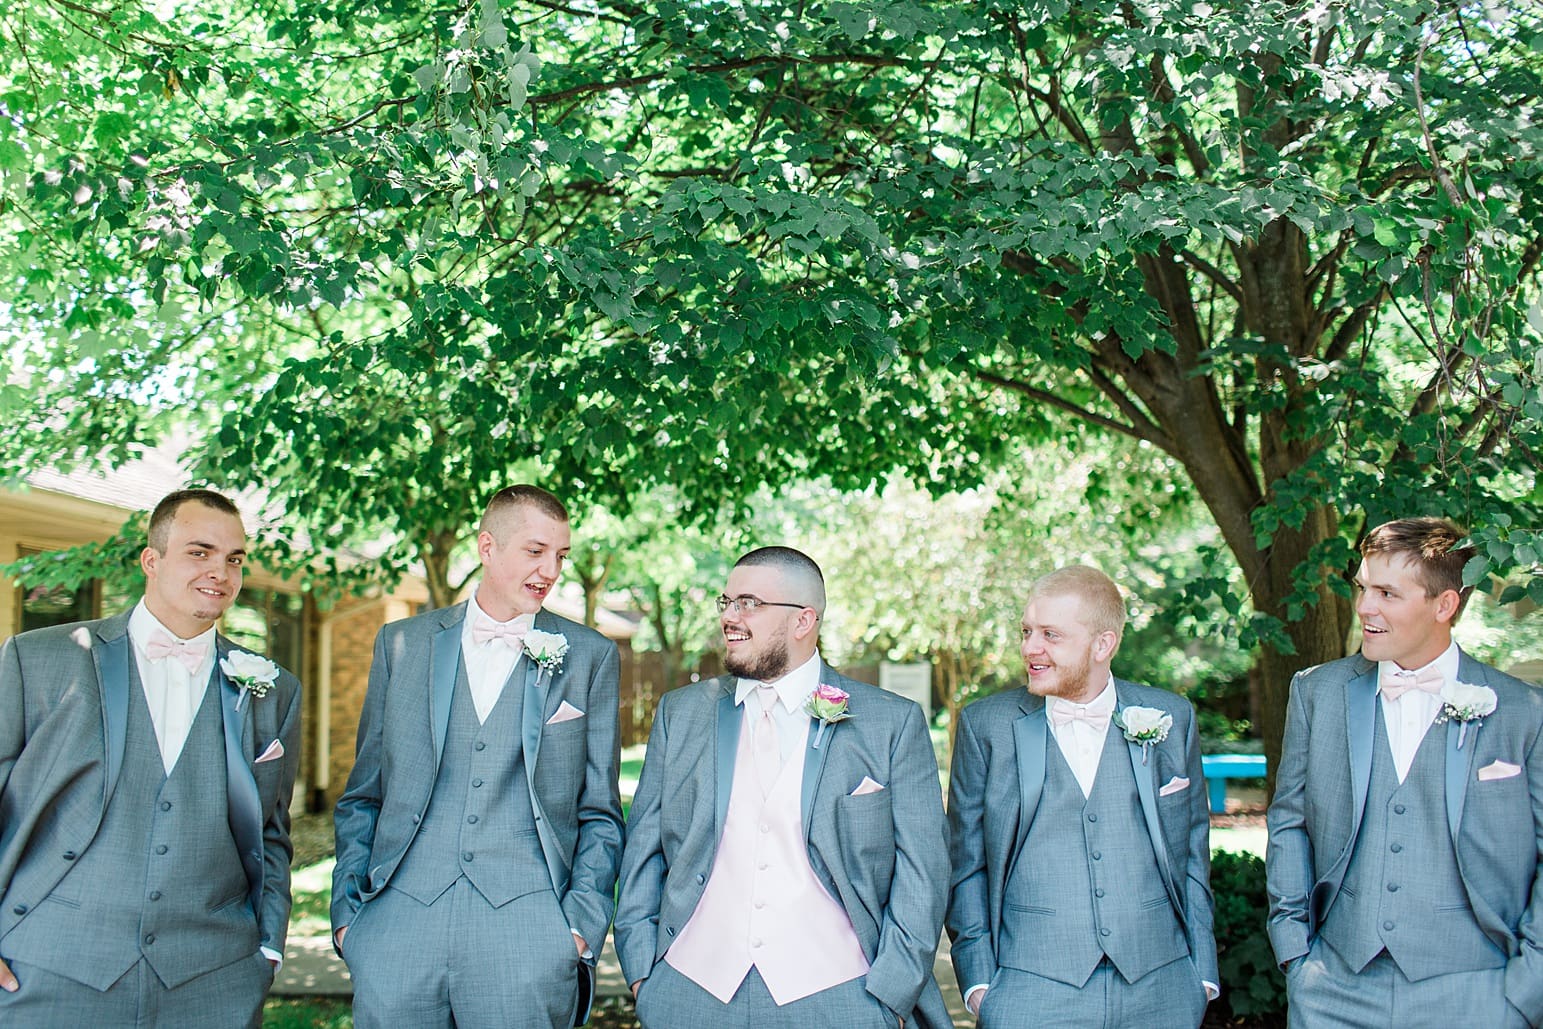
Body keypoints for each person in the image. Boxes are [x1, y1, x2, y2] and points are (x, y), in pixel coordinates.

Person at [0, 488, 302, 1027]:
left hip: (214, 980)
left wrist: (268, 947)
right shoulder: (38, 659)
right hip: (47, 967)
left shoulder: (273, 689)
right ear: (151, 560)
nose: (221, 571)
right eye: (199, 551)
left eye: (234, 559)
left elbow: (271, 832)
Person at [615, 545, 951, 1028]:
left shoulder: (891, 723)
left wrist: (890, 993)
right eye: (726, 602)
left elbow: (923, 872)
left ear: (803, 621)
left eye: (749, 603)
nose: (730, 616)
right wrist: (644, 973)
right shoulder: (681, 713)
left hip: (841, 998)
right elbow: (643, 849)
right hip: (689, 993)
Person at [331, 484, 623, 1028]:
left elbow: (600, 810)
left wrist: (577, 926)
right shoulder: (402, 643)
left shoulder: (590, 656)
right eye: (535, 551)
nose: (551, 570)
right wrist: (351, 916)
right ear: (488, 547)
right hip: (397, 924)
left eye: (560, 556)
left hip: (529, 933)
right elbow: (364, 792)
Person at [1266, 517, 1543, 1027]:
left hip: (1478, 993)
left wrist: (1526, 989)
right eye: (1363, 588)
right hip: (1334, 988)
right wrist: (1295, 956)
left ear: (1444, 605)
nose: (1366, 607)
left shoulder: (1525, 711)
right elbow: (1289, 824)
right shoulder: (1317, 693)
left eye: (1388, 593)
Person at [946, 565, 1217, 1027]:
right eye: (1027, 631)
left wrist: (1202, 975)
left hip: (1162, 986)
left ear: (1102, 644)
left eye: (1051, 635)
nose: (1032, 648)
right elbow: (965, 862)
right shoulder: (986, 726)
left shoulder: (1171, 718)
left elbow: (1191, 849)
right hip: (1028, 991)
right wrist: (978, 985)